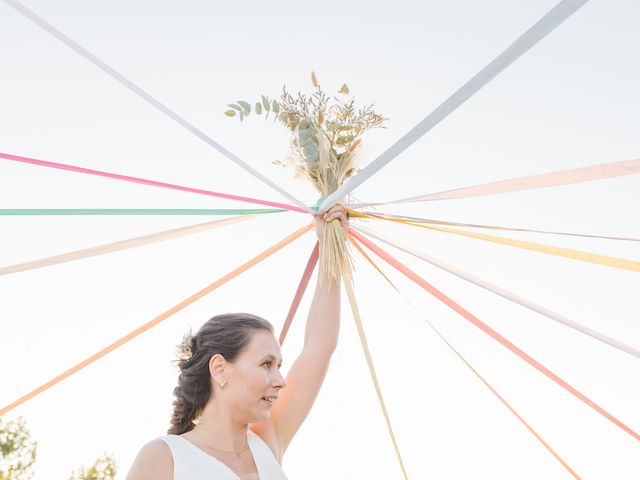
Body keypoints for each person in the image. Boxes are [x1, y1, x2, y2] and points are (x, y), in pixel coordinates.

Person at [126, 204, 349, 480]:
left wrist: (331, 246)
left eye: (279, 365)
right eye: (266, 363)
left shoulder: (268, 442)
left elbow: (319, 346)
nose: (280, 379)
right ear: (219, 368)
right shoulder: (163, 458)